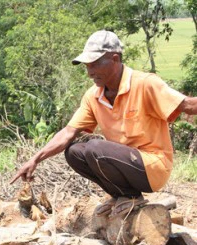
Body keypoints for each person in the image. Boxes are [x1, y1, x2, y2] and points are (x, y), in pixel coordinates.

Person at [10, 30, 197, 217]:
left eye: (95, 64)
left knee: (94, 148)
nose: (90, 72)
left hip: (153, 167)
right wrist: (35, 159)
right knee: (74, 152)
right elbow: (68, 132)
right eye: (86, 66)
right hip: (122, 164)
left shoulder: (145, 84)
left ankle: (131, 197)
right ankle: (121, 196)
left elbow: (188, 105)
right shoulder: (93, 96)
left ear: (114, 59)